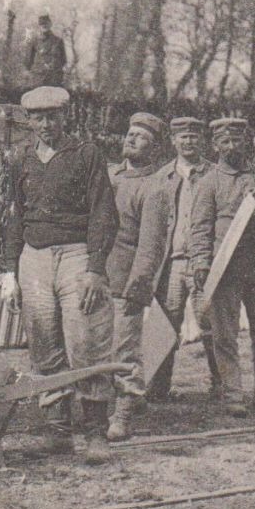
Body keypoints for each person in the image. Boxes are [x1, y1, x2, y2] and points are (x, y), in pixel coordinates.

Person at [0, 86, 119, 464]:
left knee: (86, 341)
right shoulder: (20, 159)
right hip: (33, 256)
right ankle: (57, 430)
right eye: (38, 118)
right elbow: (13, 215)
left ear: (66, 117)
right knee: (44, 341)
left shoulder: (85, 155)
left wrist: (96, 269)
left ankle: (96, 431)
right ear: (28, 121)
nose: (46, 125)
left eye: (53, 117)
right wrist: (8, 270)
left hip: (76, 255)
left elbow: (103, 213)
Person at [188, 116, 255, 418]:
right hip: (225, 270)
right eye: (225, 141)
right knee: (225, 336)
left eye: (237, 139)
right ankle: (233, 394)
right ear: (215, 145)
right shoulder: (209, 181)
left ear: (246, 141)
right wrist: (200, 262)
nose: (232, 146)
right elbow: (199, 227)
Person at [104, 112, 172, 440]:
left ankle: (124, 412)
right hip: (94, 277)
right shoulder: (108, 177)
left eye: (141, 136)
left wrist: (138, 285)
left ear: (155, 148)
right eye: (129, 133)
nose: (131, 139)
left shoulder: (154, 188)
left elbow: (151, 246)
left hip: (125, 283)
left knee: (124, 349)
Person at [144, 116, 219, 402]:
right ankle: (158, 386)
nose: (188, 142)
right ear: (173, 141)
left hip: (206, 262)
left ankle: (221, 385)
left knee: (211, 322)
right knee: (165, 322)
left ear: (202, 141)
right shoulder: (161, 178)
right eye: (183, 137)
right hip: (172, 262)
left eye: (194, 137)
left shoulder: (215, 174)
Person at [25, 13, 68, 88]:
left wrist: (55, 68)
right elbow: (28, 61)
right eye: (42, 24)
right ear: (39, 26)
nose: (44, 26)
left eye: (46, 23)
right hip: (39, 78)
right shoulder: (34, 41)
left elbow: (64, 60)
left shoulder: (58, 41)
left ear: (50, 24)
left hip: (54, 78)